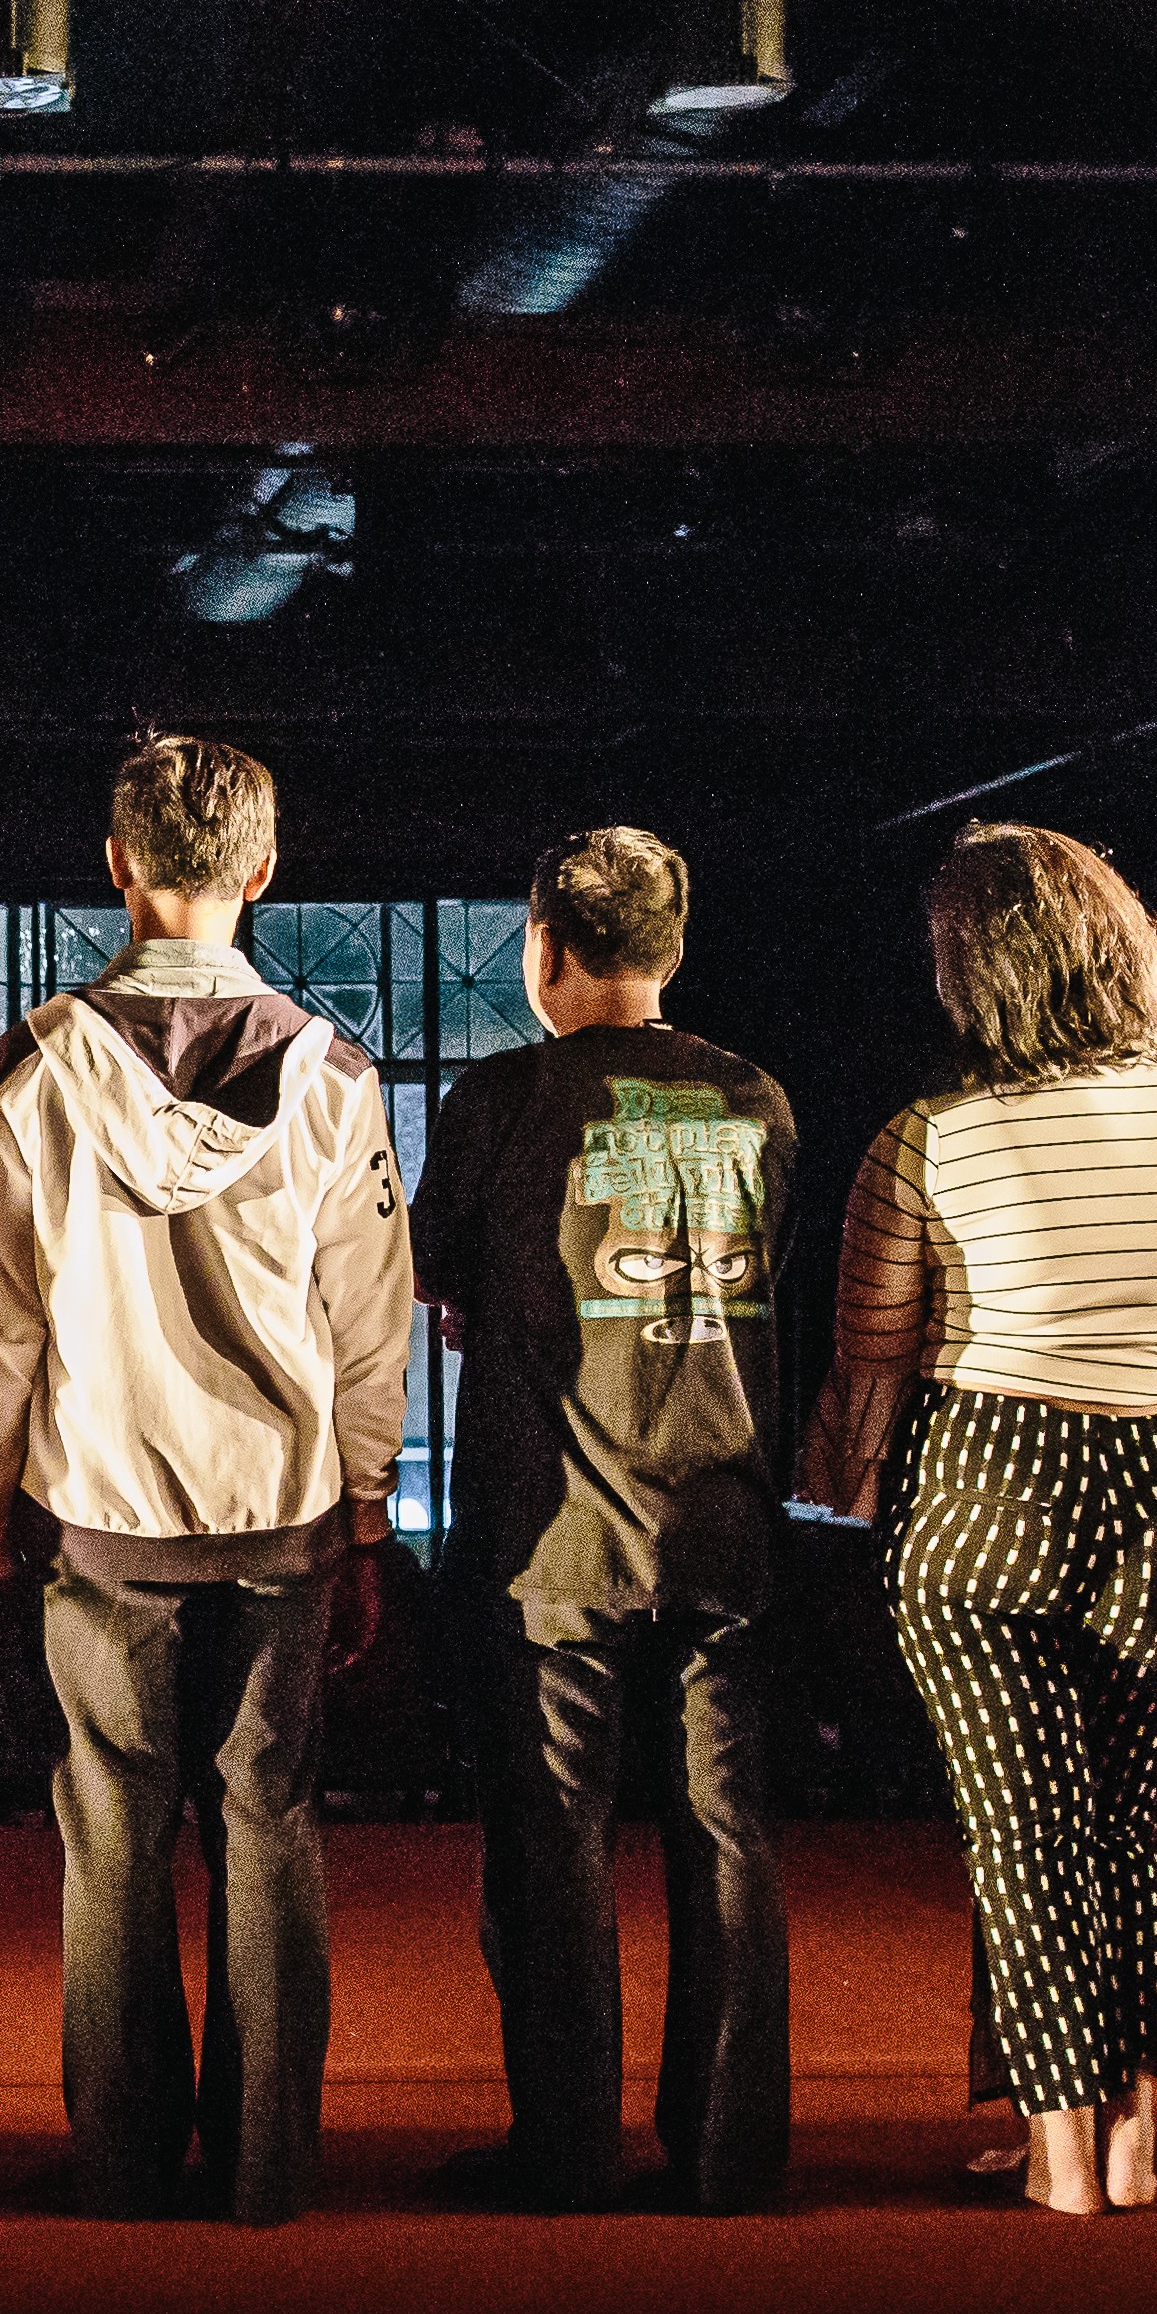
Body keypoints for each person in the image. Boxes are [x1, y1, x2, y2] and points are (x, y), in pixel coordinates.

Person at [0, 733, 409, 2228]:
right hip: (278, 1503)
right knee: (267, 1817)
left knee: (110, 1824)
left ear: (114, 866)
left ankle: (123, 2157)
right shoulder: (335, 1077)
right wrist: (366, 1510)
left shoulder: (31, 1065)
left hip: (98, 1504)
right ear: (261, 874)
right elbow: (368, 1322)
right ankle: (269, 2163)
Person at [794, 823, 1157, 2221]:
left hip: (990, 1476)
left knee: (1021, 1830)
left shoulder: (928, 1136)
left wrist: (826, 1490)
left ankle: (1058, 2153)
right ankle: (1130, 2133)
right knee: (1115, 1818)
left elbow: (871, 1357)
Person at [412, 824, 798, 2215]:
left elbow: (440, 1278)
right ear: (672, 948)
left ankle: (566, 2143)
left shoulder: (505, 1098)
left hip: (556, 1530)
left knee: (551, 1832)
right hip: (724, 1517)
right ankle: (727, 2144)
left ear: (542, 946)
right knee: (726, 1827)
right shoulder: (753, 1094)